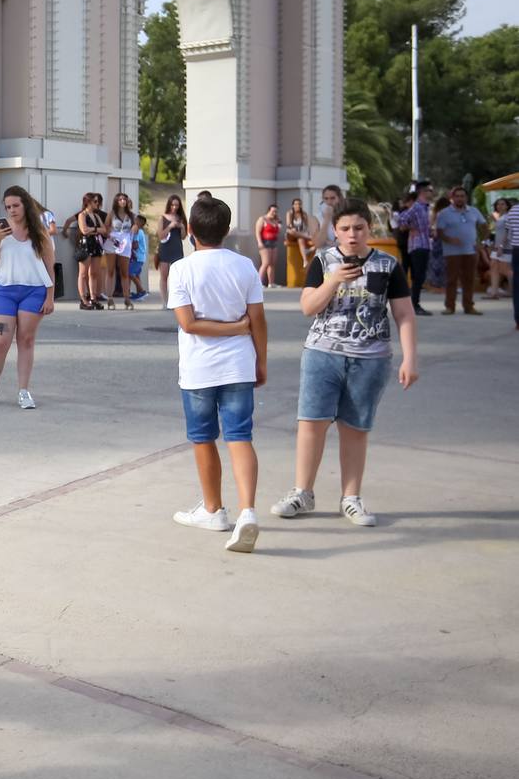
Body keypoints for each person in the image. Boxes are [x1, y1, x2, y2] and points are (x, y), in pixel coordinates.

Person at [271, 197, 418, 526]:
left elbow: (404, 313)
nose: (352, 235)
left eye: (359, 228)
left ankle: (351, 498)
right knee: (311, 423)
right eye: (345, 229)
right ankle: (302, 492)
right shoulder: (323, 261)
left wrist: (410, 358)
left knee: (355, 428)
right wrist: (334, 280)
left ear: (369, 228)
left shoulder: (387, 264)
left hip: (370, 358)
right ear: (335, 231)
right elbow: (308, 307)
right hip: (323, 353)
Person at [167, 195, 267, 553]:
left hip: (198, 370)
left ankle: (213, 510)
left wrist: (235, 328)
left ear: (190, 230)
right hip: (239, 364)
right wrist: (258, 356)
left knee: (203, 438)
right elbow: (257, 321)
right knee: (240, 436)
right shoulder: (244, 266)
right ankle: (248, 511)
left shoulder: (181, 269)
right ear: (227, 231)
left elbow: (189, 324)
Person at [0, 186, 56, 409]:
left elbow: (50, 264)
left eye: (16, 205)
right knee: (1, 341)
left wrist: (50, 296)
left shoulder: (39, 229)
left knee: (26, 340)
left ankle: (24, 391)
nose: (12, 210)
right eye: (8, 206)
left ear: (25, 205)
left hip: (34, 291)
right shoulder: (0, 226)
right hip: (5, 291)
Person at [434, 186, 487, 315]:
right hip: (452, 252)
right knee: (451, 280)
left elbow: (484, 226)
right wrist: (449, 239)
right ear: (452, 198)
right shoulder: (444, 213)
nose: (459, 198)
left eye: (462, 196)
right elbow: (439, 232)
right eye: (457, 196)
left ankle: (469, 306)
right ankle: (449, 307)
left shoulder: (474, 211)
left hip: (470, 251)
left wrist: (482, 242)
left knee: (469, 279)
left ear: (466, 198)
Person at [397, 182, 435, 316]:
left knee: (419, 276)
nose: (432, 192)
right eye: (430, 190)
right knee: (418, 276)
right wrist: (409, 228)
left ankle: (414, 303)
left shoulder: (425, 207)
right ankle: (414, 304)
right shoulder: (418, 207)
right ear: (423, 192)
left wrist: (429, 231)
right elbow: (402, 219)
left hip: (423, 244)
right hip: (418, 245)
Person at [103, 193, 137, 309]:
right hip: (113, 241)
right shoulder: (112, 214)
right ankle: (110, 298)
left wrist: (135, 228)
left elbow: (136, 229)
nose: (123, 201)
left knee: (124, 272)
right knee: (110, 270)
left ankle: (127, 299)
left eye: (124, 199)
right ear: (116, 201)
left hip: (125, 242)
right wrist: (109, 235)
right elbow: (106, 227)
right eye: (120, 199)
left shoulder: (131, 215)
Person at [75, 193, 107, 309]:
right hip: (85, 245)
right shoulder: (82, 215)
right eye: (95, 201)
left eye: (97, 201)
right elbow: (84, 230)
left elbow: (104, 230)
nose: (97, 204)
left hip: (96, 245)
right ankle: (83, 299)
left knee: (94, 273)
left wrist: (93, 230)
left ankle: (93, 298)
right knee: (83, 274)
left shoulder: (97, 216)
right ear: (88, 202)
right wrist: (96, 230)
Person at [156, 194, 186, 306]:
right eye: (173, 204)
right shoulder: (162, 218)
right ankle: (165, 301)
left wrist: (182, 227)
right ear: (169, 205)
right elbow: (160, 235)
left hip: (177, 248)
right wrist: (170, 226)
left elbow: (183, 237)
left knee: (177, 277)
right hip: (165, 248)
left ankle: (175, 301)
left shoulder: (181, 218)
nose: (174, 207)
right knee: (164, 275)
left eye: (177, 205)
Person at [498, 199, 519, 330]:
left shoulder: (513, 211)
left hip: (516, 250)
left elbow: (508, 233)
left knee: (517, 285)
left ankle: (518, 320)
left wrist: (500, 245)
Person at [486, 198, 512, 301]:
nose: (499, 206)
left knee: (505, 270)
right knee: (494, 267)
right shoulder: (501, 218)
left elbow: (507, 233)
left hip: (504, 247)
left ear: (507, 206)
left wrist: (501, 246)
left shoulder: (508, 218)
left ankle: (512, 290)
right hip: (497, 247)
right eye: (498, 204)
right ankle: (494, 293)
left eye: (502, 204)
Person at [254, 203, 281, 288]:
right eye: (273, 211)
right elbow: (257, 232)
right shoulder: (262, 219)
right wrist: (259, 242)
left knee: (272, 263)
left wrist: (278, 223)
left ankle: (271, 283)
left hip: (274, 242)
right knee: (265, 263)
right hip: (265, 242)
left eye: (276, 211)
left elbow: (278, 232)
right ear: (269, 210)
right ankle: (259, 283)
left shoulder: (276, 220)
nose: (274, 213)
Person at [311, 184, 344, 250]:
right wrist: (327, 219)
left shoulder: (346, 215)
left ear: (339, 198)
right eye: (326, 199)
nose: (329, 202)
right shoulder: (315, 218)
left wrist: (330, 242)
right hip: (324, 257)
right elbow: (318, 244)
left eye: (332, 198)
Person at [286, 198, 314, 272]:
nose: (297, 205)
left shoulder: (304, 214)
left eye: (299, 204)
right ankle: (308, 238)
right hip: (292, 234)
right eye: (296, 204)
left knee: (300, 239)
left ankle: (305, 260)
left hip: (300, 234)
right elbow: (288, 225)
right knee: (291, 231)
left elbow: (307, 226)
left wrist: (306, 232)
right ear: (293, 205)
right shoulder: (290, 213)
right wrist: (293, 228)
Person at [129, 215, 149, 301]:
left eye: (136, 220)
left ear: (140, 223)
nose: (134, 221)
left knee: (129, 273)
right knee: (136, 275)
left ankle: (142, 291)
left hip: (138, 257)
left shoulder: (137, 232)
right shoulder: (140, 232)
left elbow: (136, 245)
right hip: (141, 258)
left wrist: (128, 245)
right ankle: (139, 294)